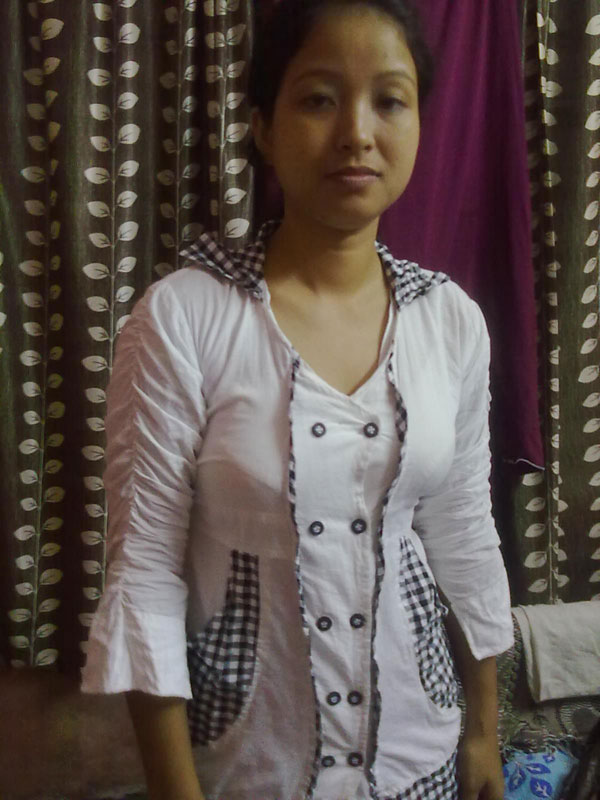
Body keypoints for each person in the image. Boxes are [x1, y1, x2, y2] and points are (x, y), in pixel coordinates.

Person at [81, 1, 514, 798]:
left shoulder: (449, 321)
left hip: (421, 761)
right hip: (248, 771)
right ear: (263, 126)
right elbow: (145, 574)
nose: (357, 132)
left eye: (389, 100)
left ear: (420, 124)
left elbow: (463, 536)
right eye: (318, 98)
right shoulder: (184, 317)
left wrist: (483, 735)